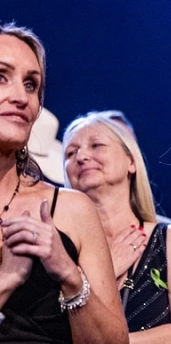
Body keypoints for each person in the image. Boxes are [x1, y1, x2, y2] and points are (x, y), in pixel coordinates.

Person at [0, 22, 127, 343]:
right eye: (1, 77)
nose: (21, 97)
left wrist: (69, 274)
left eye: (31, 84)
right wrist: (7, 280)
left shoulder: (72, 209)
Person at [62, 112, 171, 342]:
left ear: (131, 162)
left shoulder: (168, 240)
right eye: (70, 153)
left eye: (96, 145)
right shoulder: (61, 246)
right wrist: (107, 272)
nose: (82, 156)